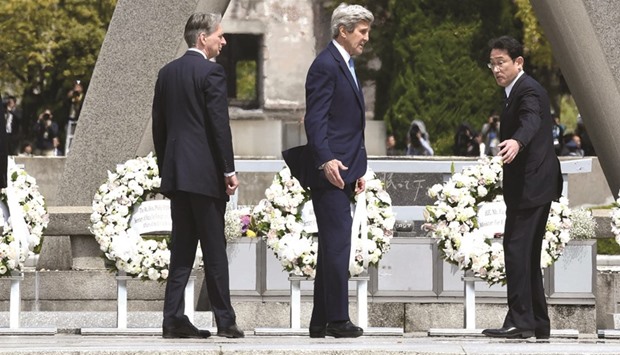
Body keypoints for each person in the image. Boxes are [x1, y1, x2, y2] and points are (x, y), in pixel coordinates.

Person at [282, 3, 373, 339]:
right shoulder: (325, 65)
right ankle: (337, 319)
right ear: (343, 30)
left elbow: (346, 124)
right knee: (337, 245)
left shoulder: (345, 64)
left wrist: (357, 167)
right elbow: (316, 120)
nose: (366, 38)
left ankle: (320, 320)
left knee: (333, 244)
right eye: (362, 31)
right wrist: (326, 161)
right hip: (330, 170)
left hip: (345, 168)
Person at [152, 12, 243, 339]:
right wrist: (228, 171)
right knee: (214, 248)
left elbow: (159, 128)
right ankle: (225, 320)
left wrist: (168, 170)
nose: (224, 40)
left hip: (178, 176)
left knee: (182, 250)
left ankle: (173, 318)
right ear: (202, 37)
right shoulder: (212, 73)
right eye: (219, 34)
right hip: (205, 176)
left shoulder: (167, 73)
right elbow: (219, 126)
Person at [482, 36, 562, 340]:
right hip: (534, 184)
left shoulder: (527, 90)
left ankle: (520, 321)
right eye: (492, 63)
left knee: (516, 250)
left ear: (518, 63)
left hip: (532, 184)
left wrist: (517, 140)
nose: (496, 68)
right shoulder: (514, 91)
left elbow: (530, 120)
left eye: (501, 62)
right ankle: (537, 321)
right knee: (526, 254)